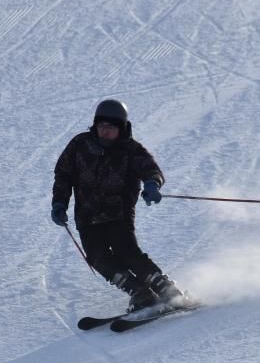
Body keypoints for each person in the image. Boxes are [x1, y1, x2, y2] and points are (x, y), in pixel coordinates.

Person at [51, 99, 185, 312]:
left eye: (110, 128)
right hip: (86, 216)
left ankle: (166, 288)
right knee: (97, 258)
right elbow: (63, 176)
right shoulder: (79, 144)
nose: (104, 132)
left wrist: (152, 185)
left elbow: (151, 170)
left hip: (118, 213)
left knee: (127, 251)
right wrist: (59, 203)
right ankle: (139, 292)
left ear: (121, 128)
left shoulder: (131, 150)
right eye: (101, 126)